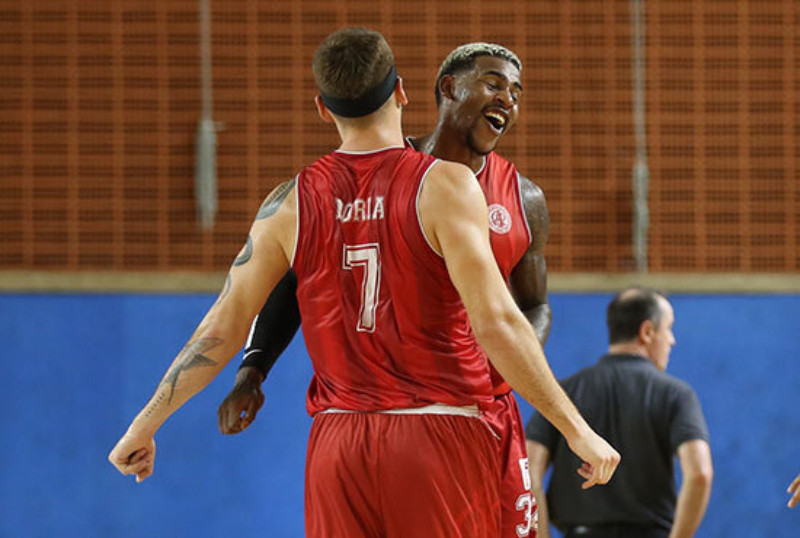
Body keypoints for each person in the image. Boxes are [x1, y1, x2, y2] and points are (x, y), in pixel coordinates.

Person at [109, 27, 619, 537]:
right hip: (439, 431)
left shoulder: (288, 202)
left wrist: (144, 425)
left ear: (322, 108)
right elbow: (498, 322)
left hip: (338, 439)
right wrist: (575, 429)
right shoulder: (445, 185)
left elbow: (221, 326)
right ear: (401, 92)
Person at [219, 42, 552, 537]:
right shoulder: (381, 172)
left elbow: (535, 304)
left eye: (517, 92)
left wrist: (513, 360)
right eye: (493, 84)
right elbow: (291, 280)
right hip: (398, 413)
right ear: (448, 88)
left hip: (486, 408)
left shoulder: (525, 199)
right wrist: (253, 368)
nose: (508, 99)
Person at [526, 288, 713, 538]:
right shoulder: (675, 394)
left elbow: (528, 471)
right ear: (647, 332)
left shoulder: (562, 394)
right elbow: (700, 474)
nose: (672, 340)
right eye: (668, 328)